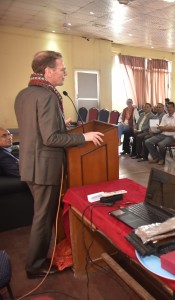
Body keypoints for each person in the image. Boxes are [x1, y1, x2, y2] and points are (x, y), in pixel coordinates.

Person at [14, 50, 103, 278]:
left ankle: (38, 259)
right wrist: (84, 137)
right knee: (43, 218)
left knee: (41, 216)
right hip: (44, 168)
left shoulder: (24, 94)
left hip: (30, 165)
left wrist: (61, 123)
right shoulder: (47, 96)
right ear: (48, 71)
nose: (65, 72)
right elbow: (51, 138)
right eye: (62, 68)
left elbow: (36, 129)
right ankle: (35, 266)